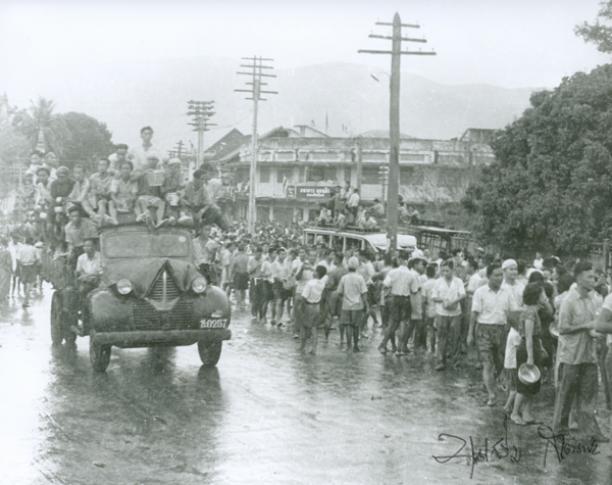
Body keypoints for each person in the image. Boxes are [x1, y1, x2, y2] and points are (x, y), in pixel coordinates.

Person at [553, 261, 608, 442]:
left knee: (589, 393)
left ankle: (590, 430)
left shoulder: (595, 299)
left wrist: (596, 332)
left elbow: (597, 323)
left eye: (594, 277)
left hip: (589, 354)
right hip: (571, 355)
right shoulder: (569, 300)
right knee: (566, 393)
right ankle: (559, 428)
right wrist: (585, 327)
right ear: (578, 278)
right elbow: (562, 328)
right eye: (589, 277)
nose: (594, 280)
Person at [468, 263, 516, 406]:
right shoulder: (480, 292)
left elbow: (513, 312)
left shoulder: (507, 291)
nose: (500, 278)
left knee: (502, 364)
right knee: (487, 364)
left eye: (501, 275)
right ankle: (491, 394)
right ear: (488, 276)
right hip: (484, 331)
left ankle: (500, 387)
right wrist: (470, 333)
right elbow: (474, 314)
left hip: (502, 331)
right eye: (496, 275)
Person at [510, 283, 549, 425]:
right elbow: (528, 336)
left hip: (534, 347)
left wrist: (541, 348)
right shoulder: (529, 313)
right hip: (527, 349)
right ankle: (515, 413)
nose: (546, 297)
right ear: (536, 296)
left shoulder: (534, 311)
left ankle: (527, 413)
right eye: (543, 294)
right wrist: (530, 357)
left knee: (533, 382)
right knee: (524, 382)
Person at [432, 260, 466, 370]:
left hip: (455, 313)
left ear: (452, 270)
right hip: (442, 312)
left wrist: (454, 301)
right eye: (443, 271)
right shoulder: (438, 282)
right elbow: (434, 297)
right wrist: (442, 299)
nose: (445, 273)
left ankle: (455, 361)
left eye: (447, 270)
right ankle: (440, 361)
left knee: (455, 337)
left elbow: (463, 294)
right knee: (442, 337)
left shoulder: (458, 281)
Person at [337, 256, 368, 352]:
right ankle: (356, 346)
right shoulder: (360, 278)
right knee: (356, 326)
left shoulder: (344, 278)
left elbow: (339, 292)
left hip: (346, 305)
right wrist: (366, 305)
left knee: (348, 326)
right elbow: (364, 293)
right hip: (358, 305)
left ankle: (349, 346)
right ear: (357, 266)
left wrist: (344, 300)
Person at [75, 238, 101, 332]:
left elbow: (102, 272)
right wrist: (86, 277)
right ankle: (85, 315)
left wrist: (94, 277)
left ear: (94, 247)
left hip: (99, 281)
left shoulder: (100, 257)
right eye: (85, 246)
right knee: (83, 291)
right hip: (86, 281)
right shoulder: (81, 258)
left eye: (89, 245)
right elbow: (79, 272)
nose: (86, 248)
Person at [300, 265, 328, 354]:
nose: (313, 272)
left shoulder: (310, 283)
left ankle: (302, 347)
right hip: (317, 306)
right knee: (314, 328)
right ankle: (314, 349)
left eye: (315, 271)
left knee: (304, 326)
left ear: (317, 273)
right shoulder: (322, 284)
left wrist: (301, 308)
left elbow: (304, 297)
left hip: (309, 306)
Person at [134, 154, 166, 227]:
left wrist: (162, 178)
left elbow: (161, 189)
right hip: (143, 195)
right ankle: (145, 217)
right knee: (142, 200)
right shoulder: (141, 171)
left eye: (154, 160)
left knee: (160, 202)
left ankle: (159, 221)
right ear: (147, 161)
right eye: (150, 160)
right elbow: (133, 178)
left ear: (157, 161)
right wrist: (144, 173)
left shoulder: (159, 172)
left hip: (154, 196)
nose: (152, 162)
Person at [86, 158, 115, 224]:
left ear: (108, 166)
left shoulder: (111, 177)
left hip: (108, 199)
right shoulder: (93, 177)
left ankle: (100, 222)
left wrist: (104, 193)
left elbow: (111, 191)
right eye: (99, 165)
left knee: (103, 202)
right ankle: (104, 218)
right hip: (96, 199)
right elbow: (91, 190)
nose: (101, 167)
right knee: (100, 202)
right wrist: (97, 192)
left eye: (104, 165)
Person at [16, 236, 39, 308]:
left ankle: (25, 299)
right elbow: (38, 259)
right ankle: (26, 300)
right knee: (30, 283)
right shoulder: (34, 249)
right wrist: (34, 264)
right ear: (31, 242)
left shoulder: (21, 249)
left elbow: (18, 259)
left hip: (23, 267)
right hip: (31, 267)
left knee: (24, 283)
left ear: (25, 241)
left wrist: (21, 265)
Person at [230, 243, 249, 309]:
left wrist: (231, 275)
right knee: (243, 289)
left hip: (238, 273)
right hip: (245, 273)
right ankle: (243, 301)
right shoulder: (247, 257)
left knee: (237, 289)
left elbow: (233, 267)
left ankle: (239, 302)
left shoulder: (236, 257)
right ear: (243, 250)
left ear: (238, 250)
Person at [0, 237, 11, 304]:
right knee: (4, 284)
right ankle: (2, 298)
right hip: (4, 269)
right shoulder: (7, 252)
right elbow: (9, 262)